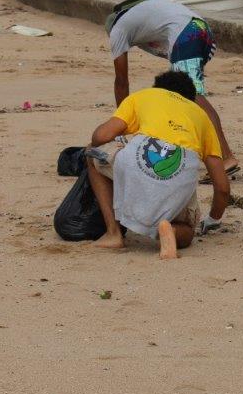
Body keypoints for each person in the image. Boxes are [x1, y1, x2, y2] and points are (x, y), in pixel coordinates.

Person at [86, 71, 230, 260]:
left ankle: (113, 233)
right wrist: (213, 219)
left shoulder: (143, 96)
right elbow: (222, 187)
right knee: (188, 230)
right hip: (181, 172)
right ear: (190, 98)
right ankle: (170, 230)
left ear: (158, 88)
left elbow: (100, 137)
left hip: (139, 159)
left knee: (91, 154)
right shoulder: (201, 116)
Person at [105, 0, 240, 176]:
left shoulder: (118, 29)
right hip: (201, 30)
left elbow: (121, 81)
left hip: (186, 34)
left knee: (194, 97)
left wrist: (121, 122)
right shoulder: (142, 20)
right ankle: (192, 150)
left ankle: (226, 157)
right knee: (180, 96)